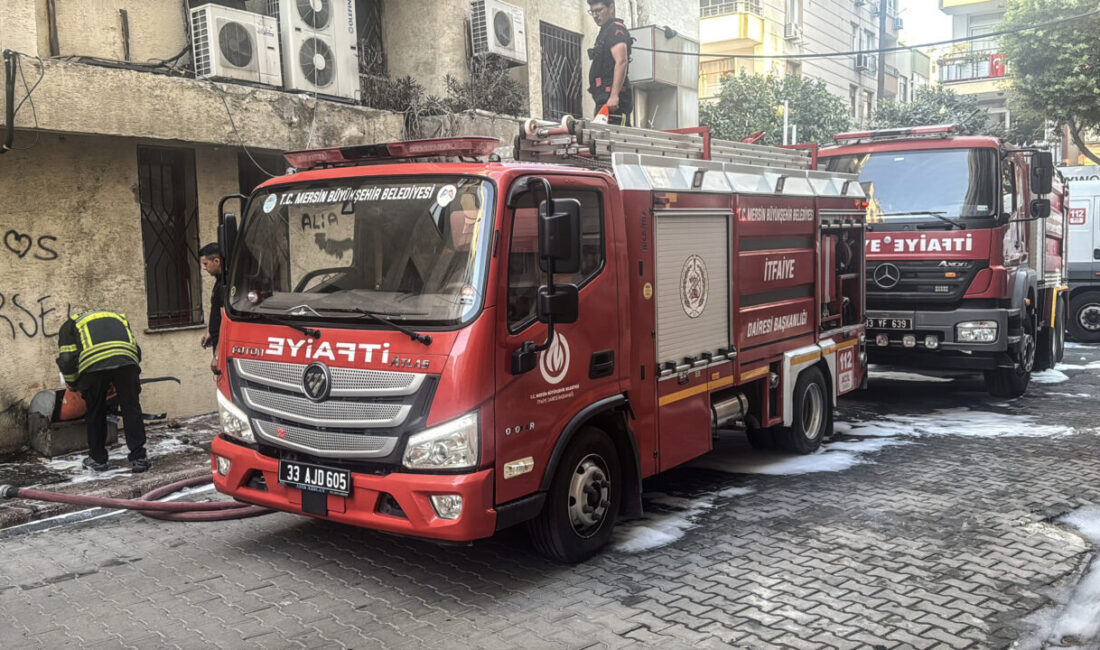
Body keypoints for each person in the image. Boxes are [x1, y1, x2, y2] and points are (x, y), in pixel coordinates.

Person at [56, 310, 149, 473]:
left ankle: (98, 459)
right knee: (131, 408)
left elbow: (67, 359)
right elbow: (136, 350)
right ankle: (139, 458)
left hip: (93, 367)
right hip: (127, 362)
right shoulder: (118, 317)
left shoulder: (70, 324)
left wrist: (71, 383)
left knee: (95, 410)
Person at [587, 0, 633, 126]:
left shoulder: (615, 30)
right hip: (605, 101)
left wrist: (614, 96)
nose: (595, 15)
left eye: (599, 10)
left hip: (614, 104)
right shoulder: (605, 31)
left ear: (611, 8)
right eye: (592, 11)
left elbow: (621, 61)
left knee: (615, 141)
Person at [199, 242, 224, 374]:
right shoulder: (219, 281)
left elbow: (225, 321)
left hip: (223, 349)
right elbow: (216, 313)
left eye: (205, 264)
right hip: (218, 343)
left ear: (216, 261)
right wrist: (210, 331)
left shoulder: (225, 285)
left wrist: (217, 355)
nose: (204, 268)